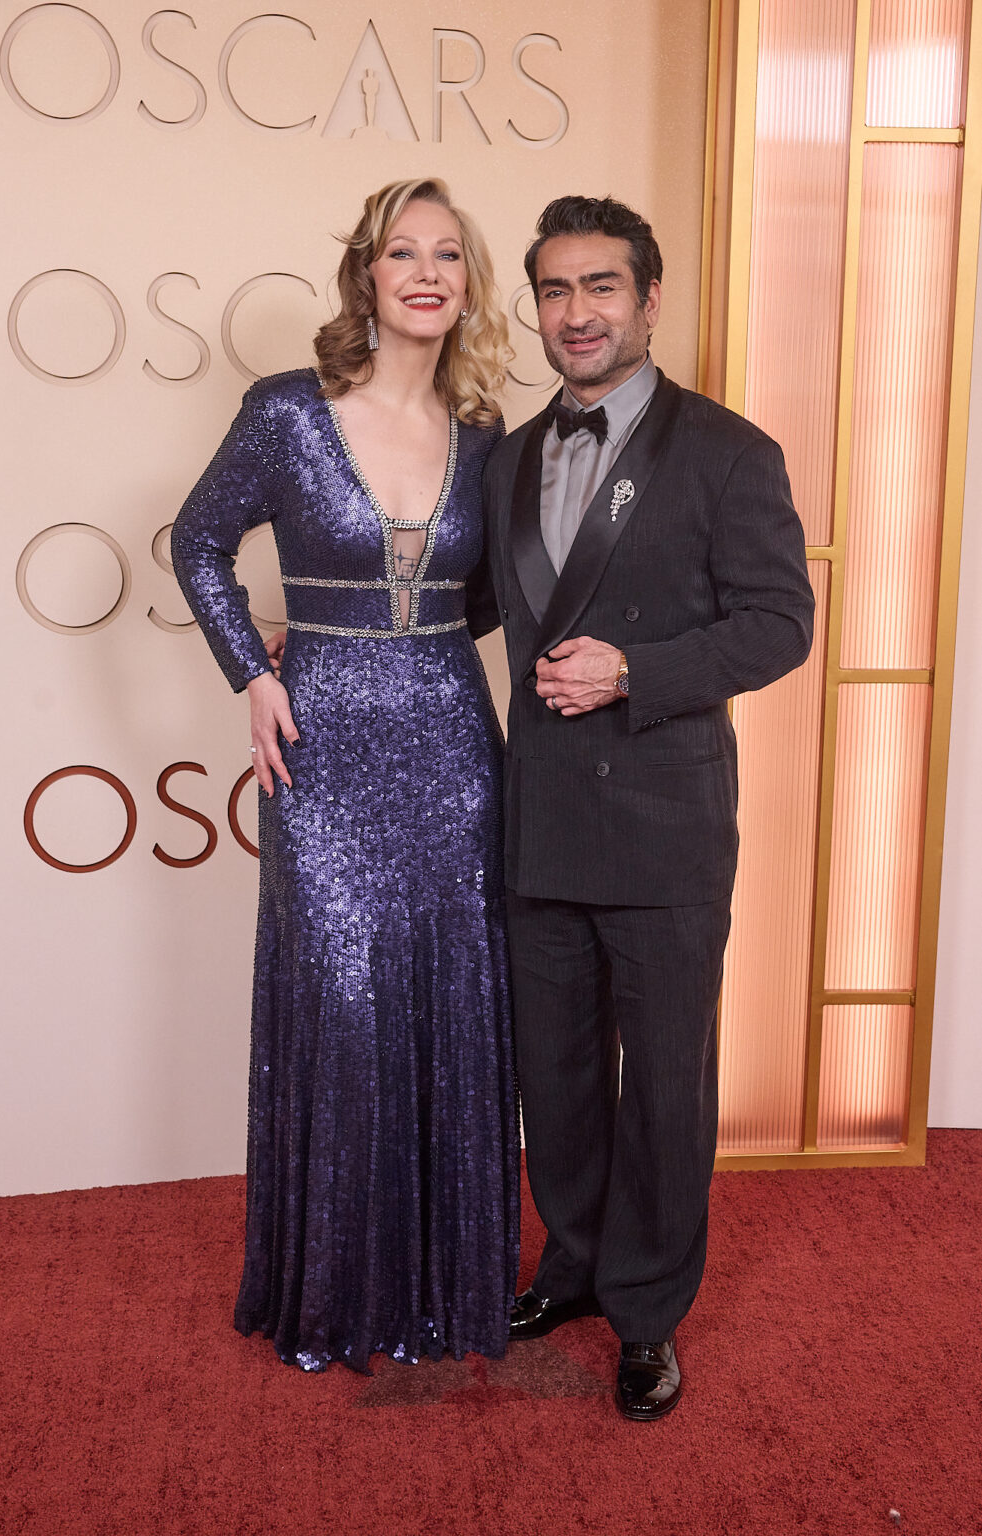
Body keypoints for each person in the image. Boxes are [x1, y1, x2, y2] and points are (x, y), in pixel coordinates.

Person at [171, 179, 519, 1373]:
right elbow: (197, 539)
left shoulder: (486, 436)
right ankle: (333, 1293)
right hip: (317, 745)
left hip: (451, 746)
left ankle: (439, 1288)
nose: (425, 273)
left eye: (449, 257)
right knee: (345, 999)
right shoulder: (285, 412)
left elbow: (483, 601)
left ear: (467, 285)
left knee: (449, 1000)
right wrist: (254, 673)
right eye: (401, 252)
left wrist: (393, 632)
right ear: (364, 273)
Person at [480, 196, 814, 1419]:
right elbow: (461, 601)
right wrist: (327, 626)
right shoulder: (508, 454)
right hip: (539, 821)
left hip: (666, 829)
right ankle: (569, 1266)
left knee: (662, 1083)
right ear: (536, 307)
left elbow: (780, 623)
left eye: (601, 287)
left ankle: (647, 1312)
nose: (577, 313)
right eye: (556, 291)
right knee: (554, 1079)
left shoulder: (728, 451)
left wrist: (636, 670)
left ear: (648, 299)